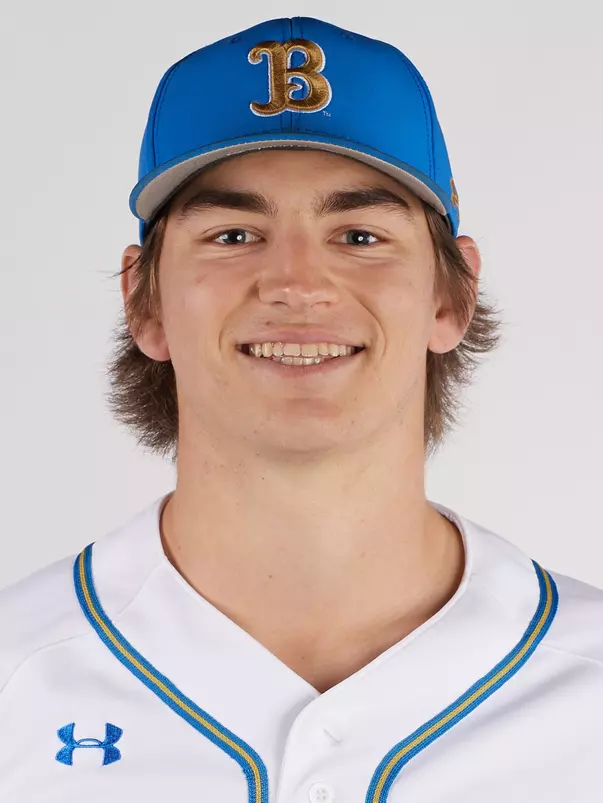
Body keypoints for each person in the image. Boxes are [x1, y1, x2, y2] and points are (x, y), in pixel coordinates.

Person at [1, 16, 601, 803]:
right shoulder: (18, 676)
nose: (295, 281)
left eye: (357, 234)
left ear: (451, 297)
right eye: (232, 233)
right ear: (142, 302)